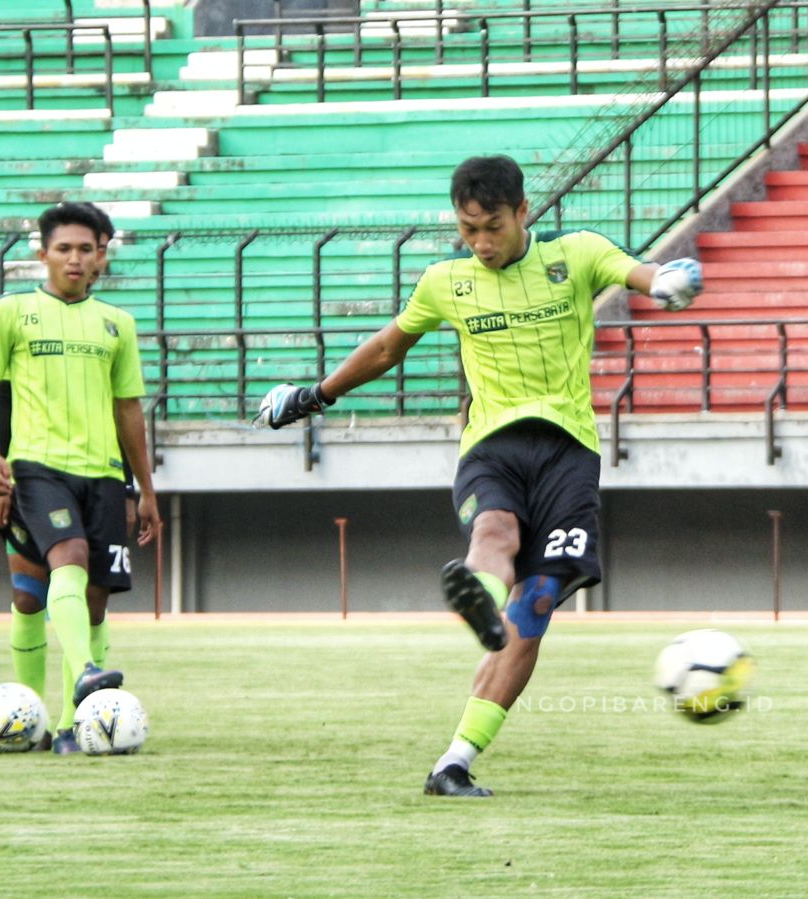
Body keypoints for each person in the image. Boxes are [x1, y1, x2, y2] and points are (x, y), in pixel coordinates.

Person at [256, 154, 702, 797]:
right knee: (493, 531)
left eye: (492, 226)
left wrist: (666, 282)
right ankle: (482, 606)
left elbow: (639, 273)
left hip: (569, 453)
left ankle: (453, 762)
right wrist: (315, 394)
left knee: (539, 604)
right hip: (490, 447)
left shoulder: (576, 255)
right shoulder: (446, 281)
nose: (481, 243)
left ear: (524, 213)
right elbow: (388, 347)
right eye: (468, 230)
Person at [0, 202, 161, 755]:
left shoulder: (116, 324)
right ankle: (76, 678)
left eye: (84, 249)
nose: (74, 259)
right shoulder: (12, 312)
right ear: (42, 253)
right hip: (36, 467)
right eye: (63, 249)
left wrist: (144, 489)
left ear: (100, 255)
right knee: (57, 567)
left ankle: (65, 727)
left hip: (102, 474)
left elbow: (128, 410)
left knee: (92, 601)